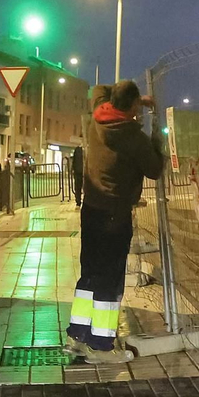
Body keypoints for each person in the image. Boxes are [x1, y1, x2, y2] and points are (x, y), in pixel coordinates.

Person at [66, 80, 162, 364]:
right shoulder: (132, 135)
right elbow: (155, 169)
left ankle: (78, 337)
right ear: (133, 107)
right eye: (137, 105)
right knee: (109, 279)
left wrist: (134, 99)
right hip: (115, 213)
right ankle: (101, 346)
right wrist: (157, 138)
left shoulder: (99, 113)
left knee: (90, 273)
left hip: (91, 209)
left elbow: (99, 88)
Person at [70, 144, 85, 208]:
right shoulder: (77, 149)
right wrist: (73, 169)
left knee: (85, 188)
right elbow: (74, 161)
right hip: (78, 172)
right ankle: (78, 202)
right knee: (78, 187)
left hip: (86, 172)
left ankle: (83, 203)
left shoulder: (90, 149)